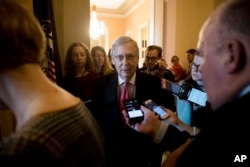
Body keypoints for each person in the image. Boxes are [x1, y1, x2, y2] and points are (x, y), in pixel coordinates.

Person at [123, 0, 250, 166]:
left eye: (205, 54)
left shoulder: (230, 120)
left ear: (231, 55)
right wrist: (160, 129)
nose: (200, 70)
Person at [0, 0, 105, 166]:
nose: (79, 58)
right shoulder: (75, 105)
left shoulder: (24, 147)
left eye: (82, 54)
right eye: (75, 55)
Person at [90, 36, 179, 167]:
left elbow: (167, 120)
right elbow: (96, 122)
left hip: (146, 157)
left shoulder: (156, 84)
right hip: (112, 157)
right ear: (112, 60)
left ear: (138, 58)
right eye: (119, 57)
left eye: (130, 56)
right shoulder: (100, 86)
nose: (125, 63)